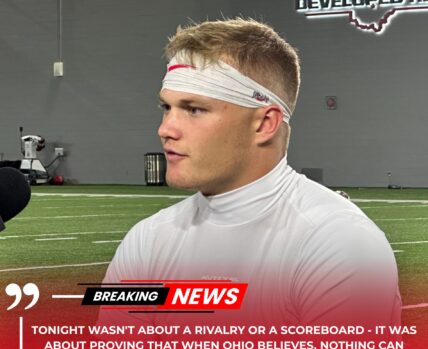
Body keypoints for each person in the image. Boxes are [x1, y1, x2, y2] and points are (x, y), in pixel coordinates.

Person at [101, 18, 401, 327]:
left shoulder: (339, 242)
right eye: (167, 108)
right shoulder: (147, 238)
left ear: (265, 124)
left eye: (194, 109)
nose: (166, 129)